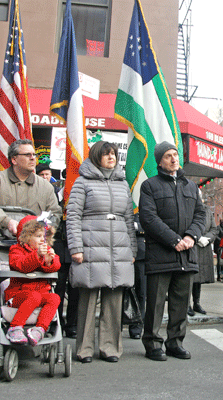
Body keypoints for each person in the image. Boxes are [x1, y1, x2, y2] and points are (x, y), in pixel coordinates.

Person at [66, 142, 137, 363]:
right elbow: (73, 216)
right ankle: (84, 349)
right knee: (87, 300)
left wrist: (132, 249)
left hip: (118, 248)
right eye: (106, 154)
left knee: (114, 301)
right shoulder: (82, 182)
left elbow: (128, 218)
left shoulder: (123, 184)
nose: (111, 157)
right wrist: (76, 248)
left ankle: (110, 348)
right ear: (97, 156)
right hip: (90, 246)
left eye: (114, 154)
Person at [139, 141, 205, 361]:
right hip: (161, 254)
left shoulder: (191, 187)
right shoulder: (150, 186)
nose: (174, 159)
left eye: (175, 155)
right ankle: (153, 344)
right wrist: (173, 239)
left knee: (180, 303)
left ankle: (175, 343)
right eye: (168, 156)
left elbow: (200, 216)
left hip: (187, 253)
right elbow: (148, 218)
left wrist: (190, 237)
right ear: (159, 161)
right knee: (156, 303)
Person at [0, 139, 62, 235]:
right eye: (27, 155)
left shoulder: (45, 186)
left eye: (34, 155)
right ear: (14, 159)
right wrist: (7, 222)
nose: (33, 158)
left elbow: (55, 214)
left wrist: (38, 226)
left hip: (34, 245)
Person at [35, 162, 77, 338]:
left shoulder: (78, 197)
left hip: (74, 246)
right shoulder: (53, 196)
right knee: (57, 287)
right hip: (58, 244)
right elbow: (47, 220)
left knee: (75, 288)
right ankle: (56, 321)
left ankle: (72, 324)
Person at [4, 215, 61, 346]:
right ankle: (15, 327)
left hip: (40, 294)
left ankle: (40, 329)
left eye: (44, 236)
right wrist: (37, 256)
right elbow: (21, 265)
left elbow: (56, 265)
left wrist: (49, 261)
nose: (42, 239)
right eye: (38, 236)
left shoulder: (45, 250)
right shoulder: (16, 250)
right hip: (18, 295)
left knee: (54, 298)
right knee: (34, 296)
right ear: (26, 237)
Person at [188, 203, 220, 316]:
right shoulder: (187, 207)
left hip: (204, 247)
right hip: (191, 246)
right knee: (189, 277)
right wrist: (196, 237)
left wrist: (207, 238)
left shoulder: (206, 210)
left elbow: (214, 229)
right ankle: (187, 305)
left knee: (199, 278)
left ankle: (196, 303)